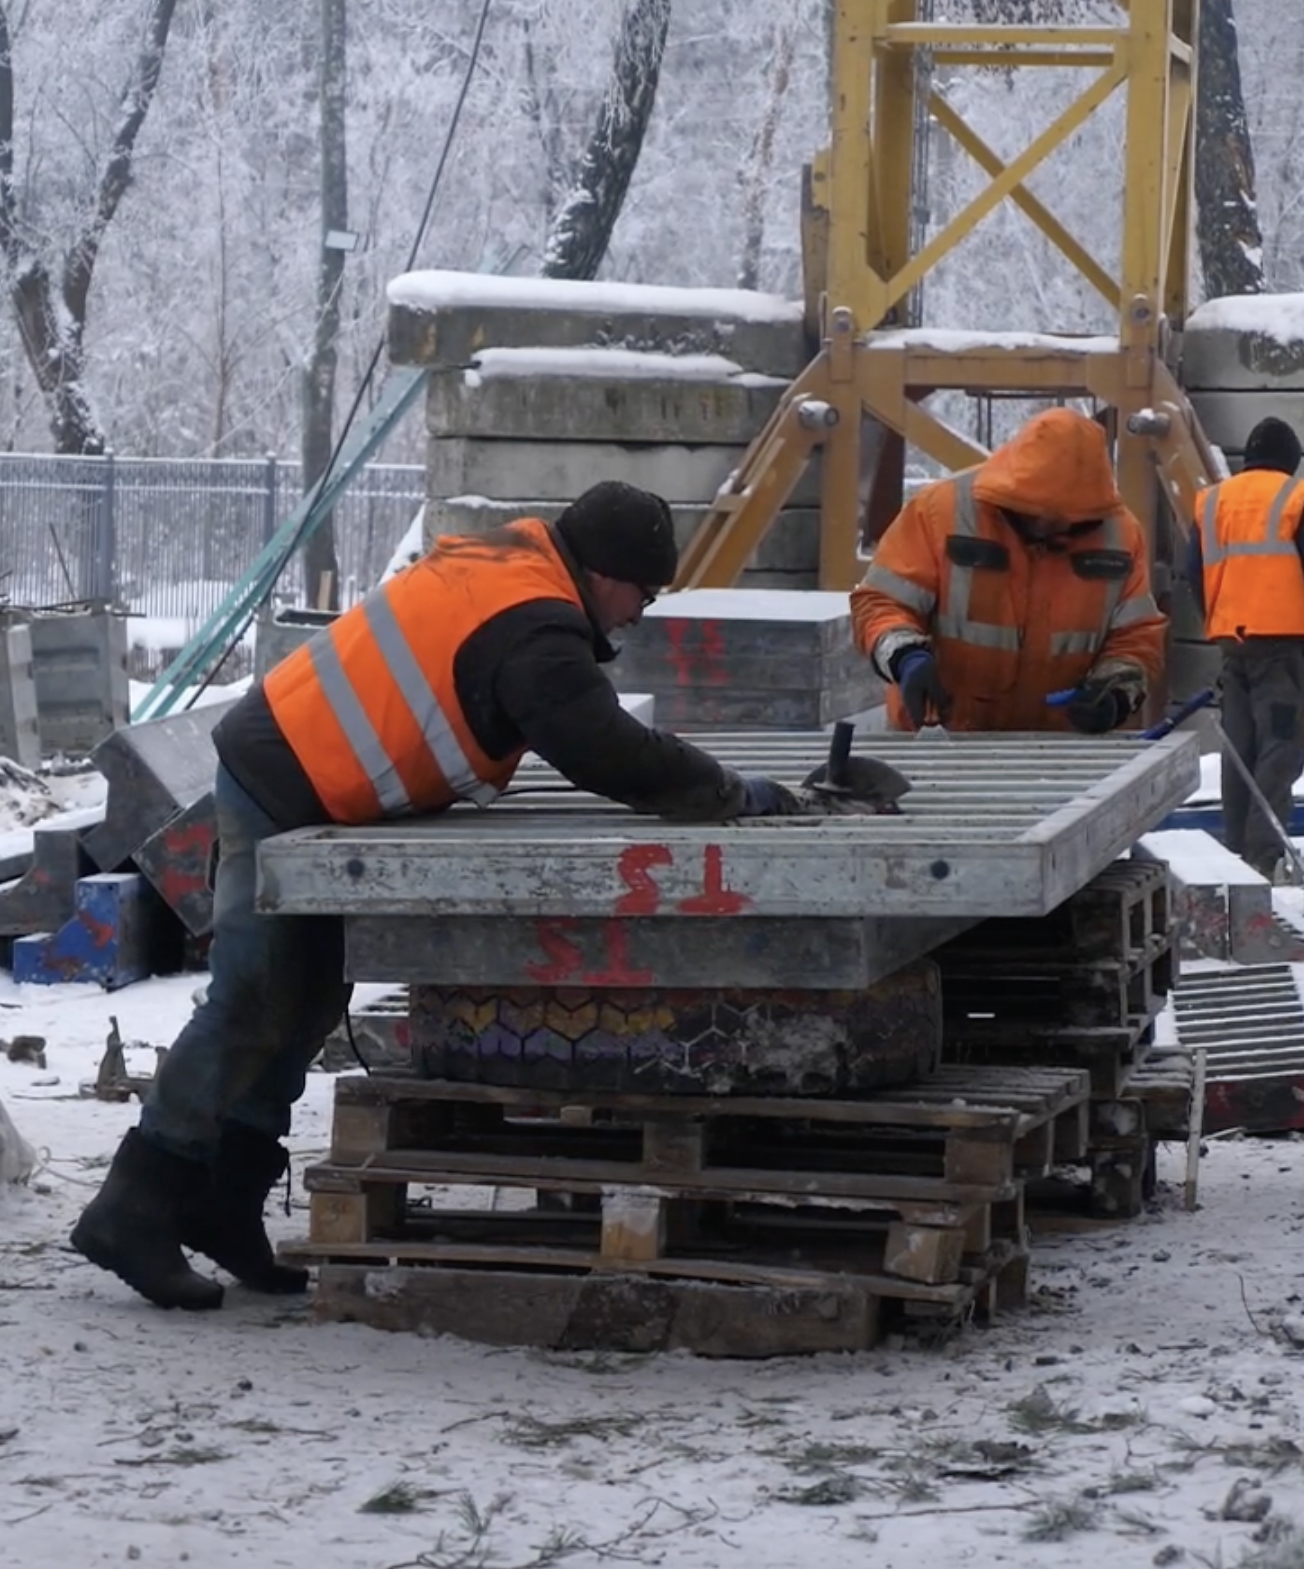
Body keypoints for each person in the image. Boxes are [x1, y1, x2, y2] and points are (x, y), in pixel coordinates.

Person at [71, 481, 826, 1310]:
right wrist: (730, 793)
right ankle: (132, 1208)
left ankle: (223, 1204)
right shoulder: (536, 626)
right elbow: (605, 749)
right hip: (283, 776)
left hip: (312, 778)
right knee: (253, 999)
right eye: (644, 592)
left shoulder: (515, 563)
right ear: (606, 572)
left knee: (307, 1000)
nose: (641, 612)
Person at [849, 407, 1168, 735]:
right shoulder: (939, 512)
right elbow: (881, 603)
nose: (1046, 525)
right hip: (938, 736)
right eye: (1034, 511)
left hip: (1057, 749)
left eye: (1063, 520)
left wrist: (1113, 692)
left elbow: (1135, 636)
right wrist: (906, 657)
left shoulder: (1121, 536)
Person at [1175, 416, 1304, 873]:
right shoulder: (1300, 496)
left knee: (1241, 749)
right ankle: (1261, 858)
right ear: (1290, 462)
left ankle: (1236, 849)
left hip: (1234, 646)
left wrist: (1221, 616)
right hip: (1283, 647)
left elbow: (1193, 570)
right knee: (1279, 749)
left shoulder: (1213, 500)